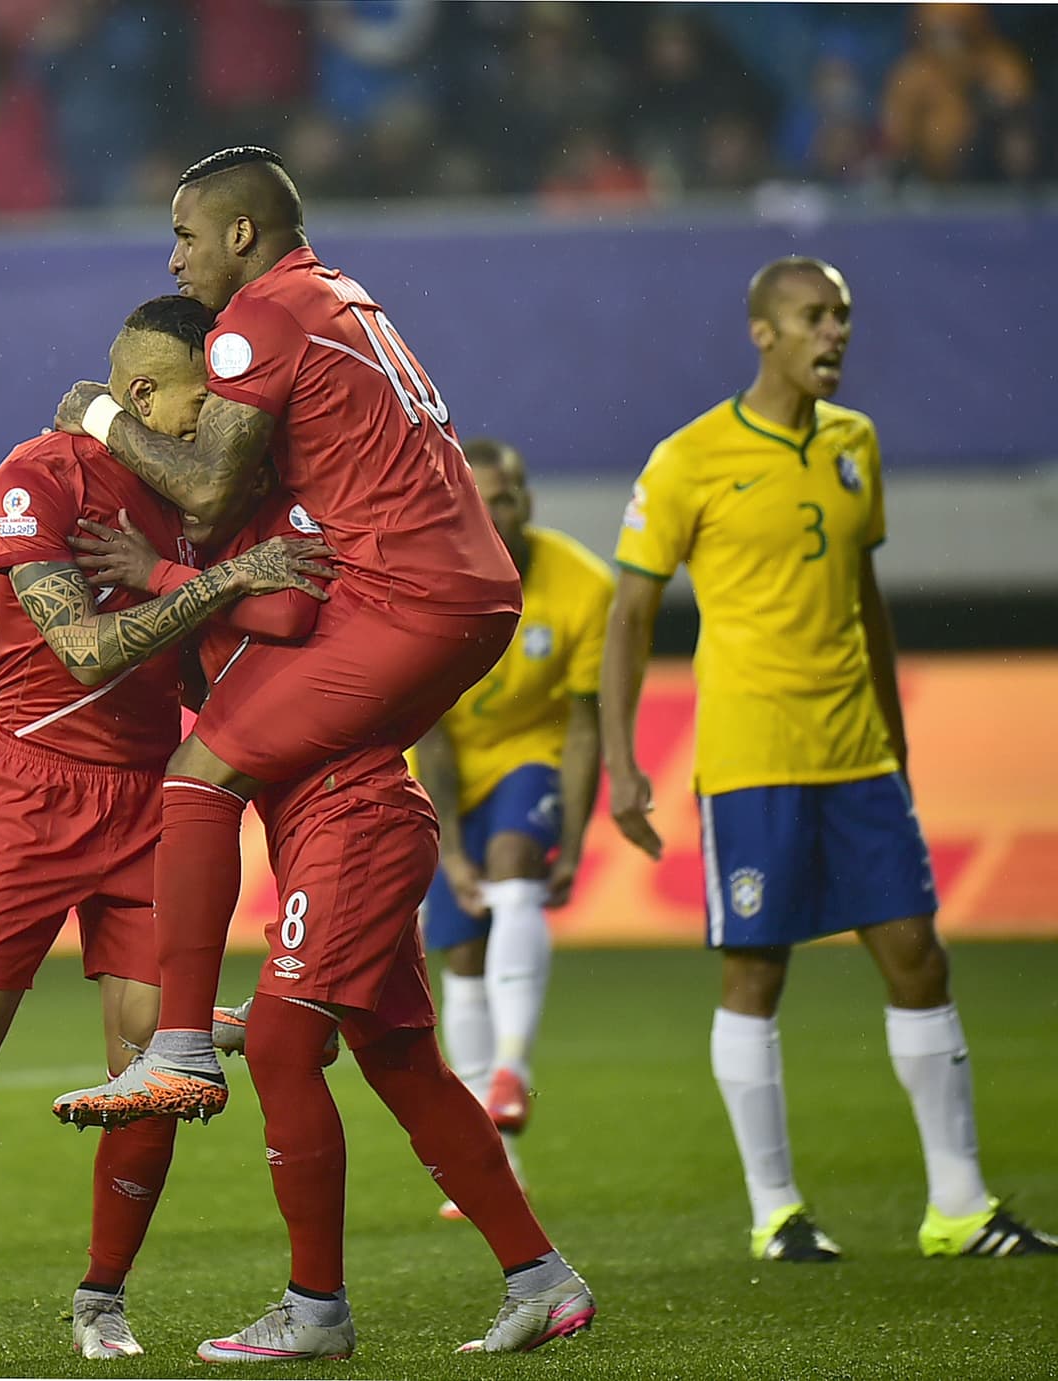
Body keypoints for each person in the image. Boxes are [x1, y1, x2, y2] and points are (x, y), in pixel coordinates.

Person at [0, 294, 333, 1360]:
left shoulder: (208, 500)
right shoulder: (35, 482)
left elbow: (266, 618)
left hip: (153, 799)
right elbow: (83, 650)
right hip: (34, 792)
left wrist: (221, 585)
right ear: (139, 397)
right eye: (200, 401)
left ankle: (101, 1294)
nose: (217, 423)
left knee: (150, 1069)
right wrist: (224, 580)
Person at [47, 144, 521, 1134]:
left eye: (184, 237)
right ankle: (527, 1279)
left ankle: (176, 1045)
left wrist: (100, 418)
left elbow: (211, 491)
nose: (173, 261)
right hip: (464, 591)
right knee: (323, 779)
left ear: (240, 234)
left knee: (195, 774)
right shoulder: (341, 295)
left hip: (407, 596)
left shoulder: (253, 321)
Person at [600, 255, 1058, 1262]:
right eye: (812, 316)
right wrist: (621, 761)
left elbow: (863, 602)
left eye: (841, 316)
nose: (833, 333)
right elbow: (630, 613)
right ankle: (775, 1212)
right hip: (752, 755)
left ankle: (960, 1205)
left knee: (915, 956)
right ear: (761, 332)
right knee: (755, 973)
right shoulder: (688, 459)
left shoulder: (854, 445)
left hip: (855, 755)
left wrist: (893, 737)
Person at [66, 489, 595, 1359]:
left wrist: (164, 573)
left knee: (284, 1048)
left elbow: (286, 602)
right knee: (400, 1060)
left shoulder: (280, 516)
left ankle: (315, 1308)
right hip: (331, 829)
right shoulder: (216, 558)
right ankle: (543, 1281)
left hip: (355, 819)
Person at [414, 438, 613, 1216]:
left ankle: (509, 1066)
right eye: (489, 496)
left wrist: (580, 835)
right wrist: (449, 850)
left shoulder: (584, 585)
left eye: (516, 492)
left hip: (533, 759)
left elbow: (586, 727)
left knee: (514, 861)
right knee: (460, 952)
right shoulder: (433, 582)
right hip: (449, 768)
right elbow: (428, 729)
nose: (507, 508)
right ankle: (496, 1161)